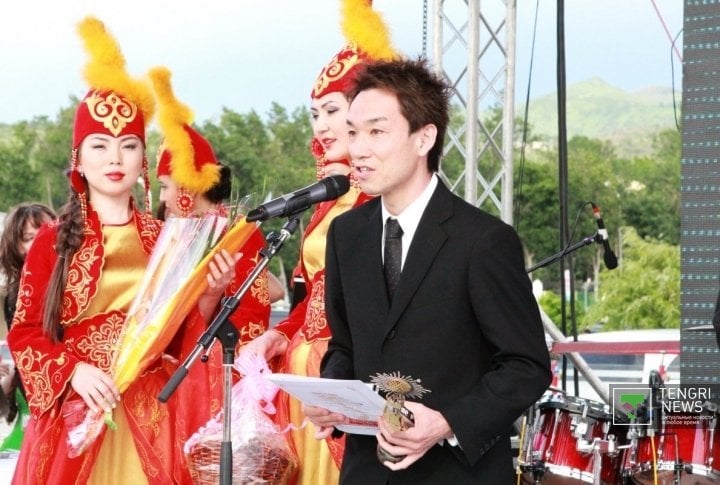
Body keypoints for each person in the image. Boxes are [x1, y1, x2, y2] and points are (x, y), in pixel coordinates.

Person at [7, 17, 237, 484]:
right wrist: (72, 372)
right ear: (79, 157)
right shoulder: (53, 240)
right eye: (100, 144)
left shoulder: (167, 239)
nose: (114, 158)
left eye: (128, 145)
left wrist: (211, 296)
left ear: (142, 160)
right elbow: (25, 332)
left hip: (151, 413)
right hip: (78, 409)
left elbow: (182, 341)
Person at [303, 58, 552, 483]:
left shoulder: (483, 240)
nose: (357, 149)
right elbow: (346, 345)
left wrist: (447, 422)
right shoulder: (346, 234)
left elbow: (527, 365)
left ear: (424, 138)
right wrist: (333, 394)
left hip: (454, 472)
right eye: (352, 133)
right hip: (367, 469)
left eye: (376, 132)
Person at [237, 1, 396, 483]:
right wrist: (280, 334)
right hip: (307, 375)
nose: (321, 126)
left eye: (332, 110)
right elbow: (314, 298)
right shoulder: (329, 201)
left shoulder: (387, 202)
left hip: (349, 379)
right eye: (314, 114)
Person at [148, 66, 274, 450]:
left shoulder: (221, 236)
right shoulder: (238, 229)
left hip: (216, 379)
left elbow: (246, 310)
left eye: (168, 187)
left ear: (188, 186)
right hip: (214, 372)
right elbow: (275, 288)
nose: (165, 199)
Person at [0, 202, 56, 452]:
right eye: (29, 238)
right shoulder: (16, 295)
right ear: (16, 247)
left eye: (48, 230)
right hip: (46, 400)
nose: (42, 241)